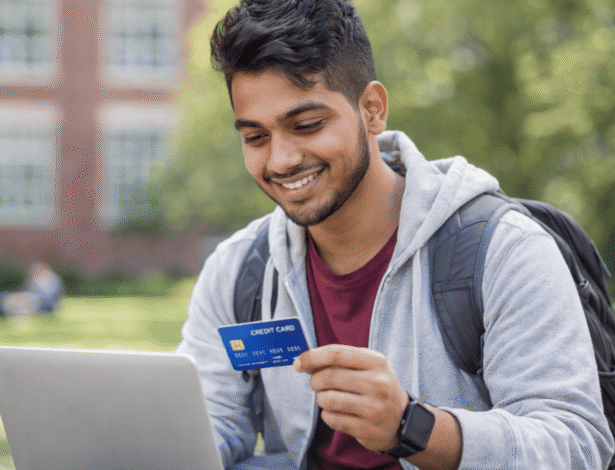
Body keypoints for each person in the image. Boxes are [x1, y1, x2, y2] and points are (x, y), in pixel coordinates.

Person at [176, 1, 615, 469]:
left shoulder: (505, 249)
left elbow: (576, 446)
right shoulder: (238, 270)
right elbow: (210, 421)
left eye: (307, 126)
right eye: (255, 138)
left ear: (372, 109)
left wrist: (411, 426)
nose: (281, 160)